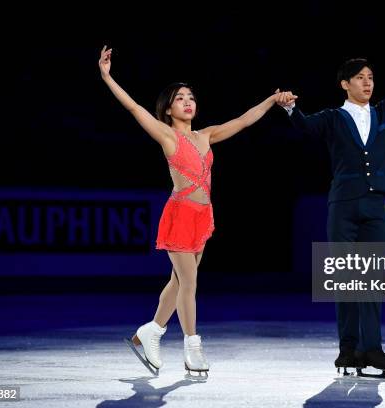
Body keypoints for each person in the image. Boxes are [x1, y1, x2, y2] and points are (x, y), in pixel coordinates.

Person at [98, 45, 295, 376]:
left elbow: (245, 120)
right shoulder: (166, 135)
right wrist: (107, 76)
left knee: (177, 282)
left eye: (190, 96)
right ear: (168, 110)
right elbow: (134, 108)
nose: (187, 101)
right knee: (189, 282)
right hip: (178, 216)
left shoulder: (207, 135)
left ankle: (151, 332)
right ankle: (192, 349)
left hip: (202, 218)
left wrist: (272, 100)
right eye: (179, 98)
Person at [276, 11, 385, 378]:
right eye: (360, 78)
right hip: (342, 206)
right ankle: (347, 350)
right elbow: (305, 129)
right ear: (345, 84)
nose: (368, 83)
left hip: (375, 205)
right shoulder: (330, 117)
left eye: (371, 77)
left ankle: (371, 349)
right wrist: (291, 108)